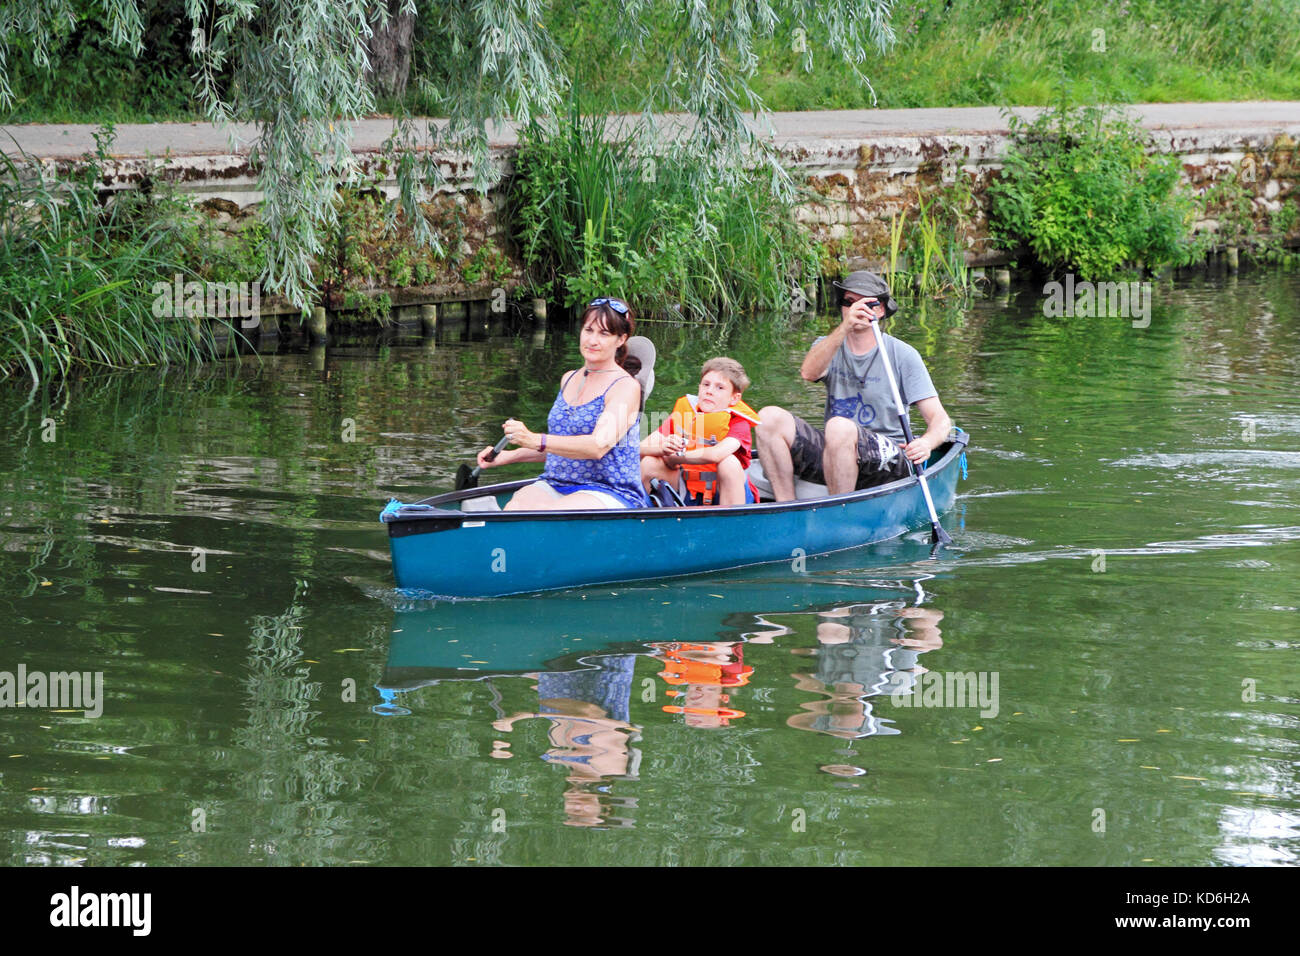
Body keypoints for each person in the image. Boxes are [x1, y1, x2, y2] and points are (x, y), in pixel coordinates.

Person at [757, 270, 953, 501]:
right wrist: (844, 328)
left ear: (880, 309)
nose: (855, 308)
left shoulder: (903, 355)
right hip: (837, 448)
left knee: (839, 426)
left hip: (887, 457)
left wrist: (926, 443)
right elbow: (808, 373)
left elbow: (940, 420)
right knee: (767, 418)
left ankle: (840, 512)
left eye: (865, 303)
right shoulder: (828, 345)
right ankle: (785, 508)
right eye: (848, 302)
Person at [476, 297, 649, 510]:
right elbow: (564, 445)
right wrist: (509, 456)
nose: (592, 340)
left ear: (621, 339)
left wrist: (533, 438)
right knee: (516, 507)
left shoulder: (625, 387)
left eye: (604, 334)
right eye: (588, 330)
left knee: (550, 513)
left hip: (609, 490)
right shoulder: (568, 378)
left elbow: (597, 446)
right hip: (557, 482)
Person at [639, 357, 760, 506]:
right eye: (706, 384)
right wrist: (662, 448)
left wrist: (675, 456)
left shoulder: (739, 423)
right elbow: (639, 448)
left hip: (723, 493)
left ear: (734, 398)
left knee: (728, 463)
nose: (709, 391)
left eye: (719, 387)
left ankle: (732, 523)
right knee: (649, 463)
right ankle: (641, 518)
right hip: (688, 489)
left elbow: (715, 454)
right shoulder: (683, 413)